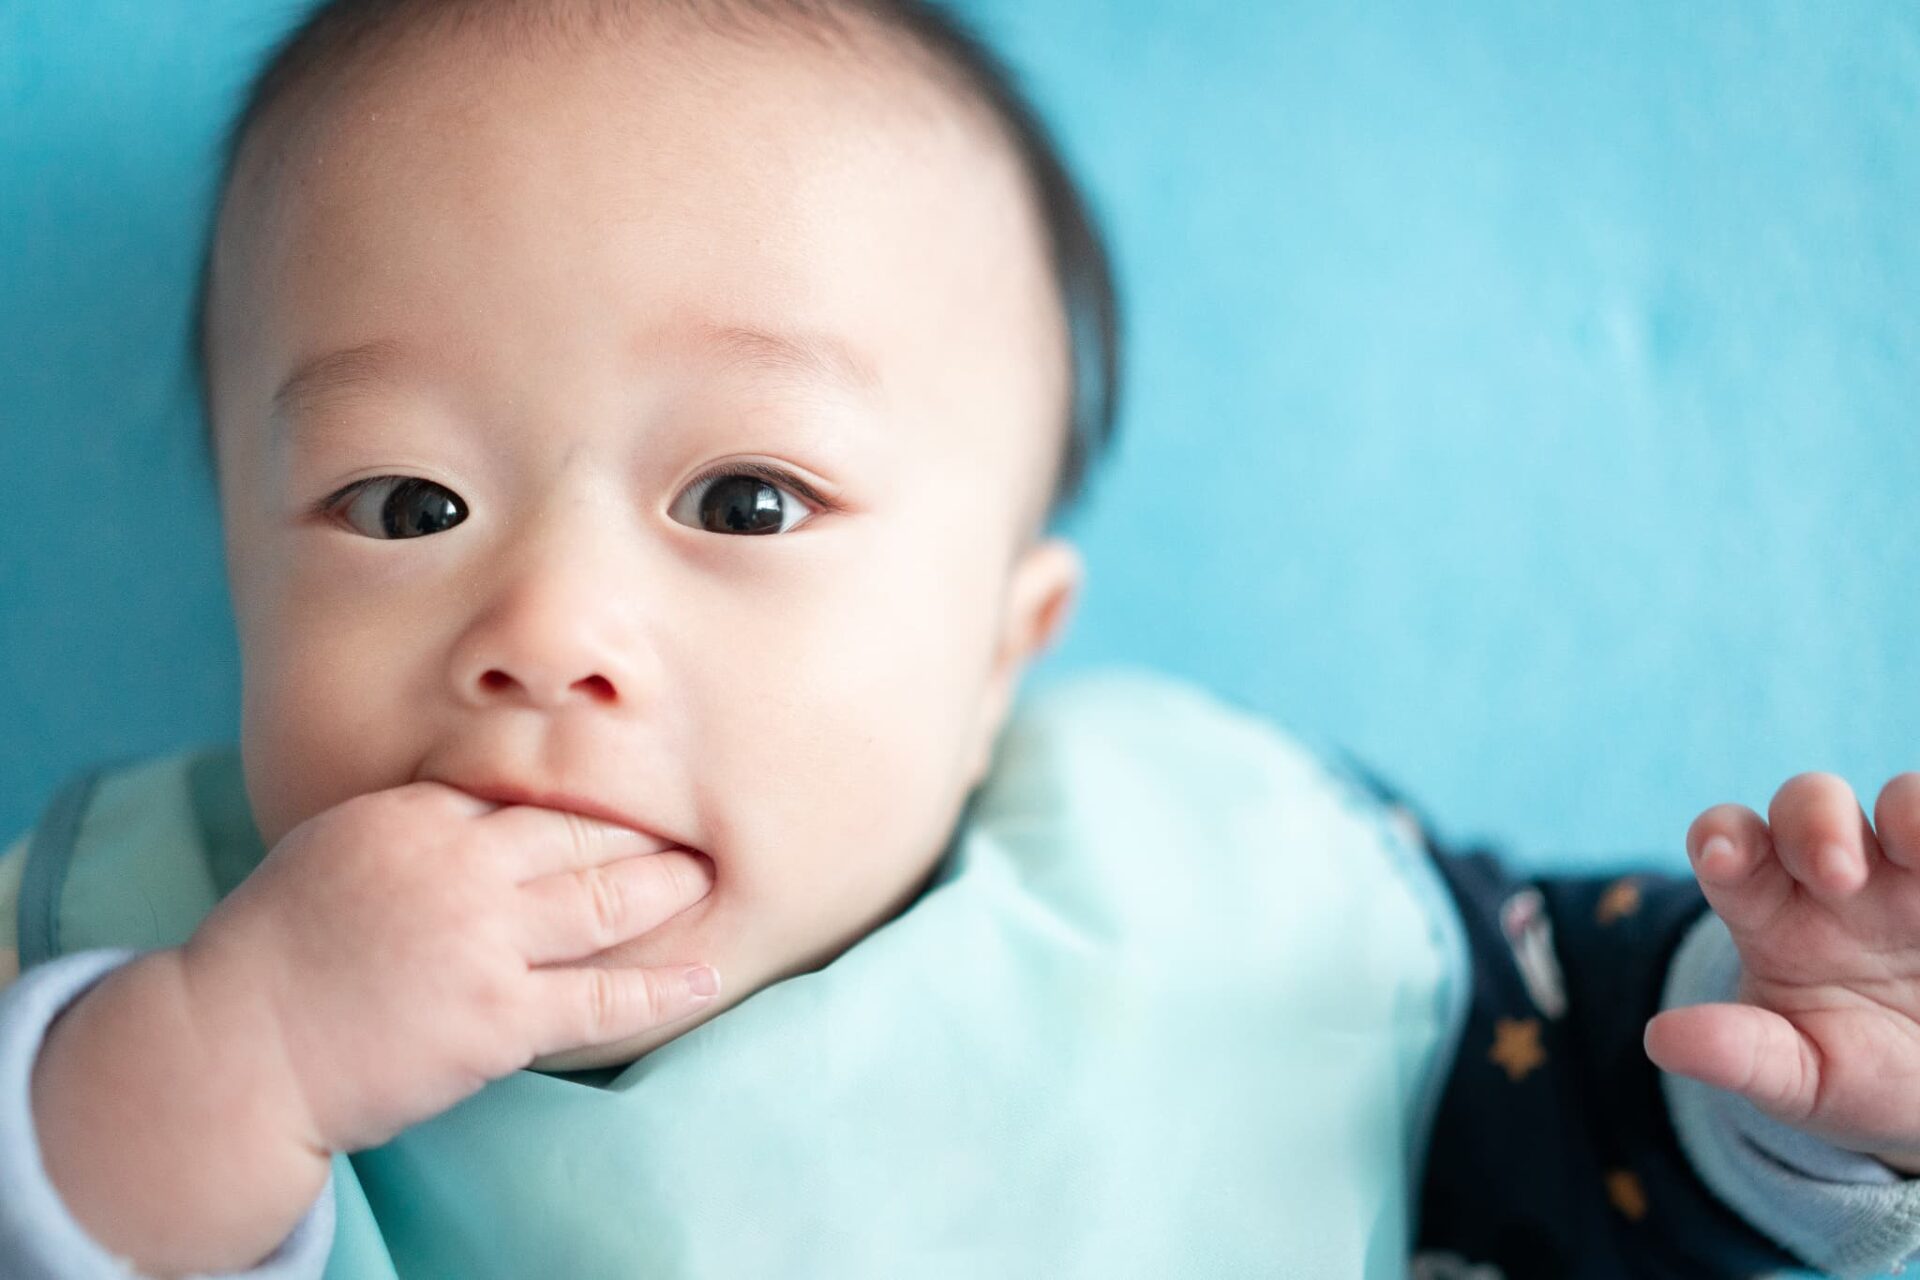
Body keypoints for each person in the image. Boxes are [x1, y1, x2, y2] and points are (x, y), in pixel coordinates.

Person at [2, 2, 1917, 1276]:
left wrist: (1787, 1077)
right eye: (404, 505)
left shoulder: (1211, 899)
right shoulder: (121, 943)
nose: (547, 631)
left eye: (746, 501)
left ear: (1007, 647)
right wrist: (224, 1062)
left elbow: (1569, 1122)